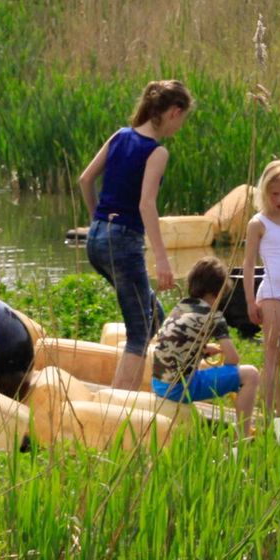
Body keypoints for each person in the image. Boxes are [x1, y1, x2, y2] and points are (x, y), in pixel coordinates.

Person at [77, 79, 193, 389]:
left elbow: (85, 180)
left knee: (153, 315)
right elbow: (146, 205)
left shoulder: (120, 136)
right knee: (140, 330)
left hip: (97, 239)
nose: (180, 126)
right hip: (124, 241)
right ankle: (117, 406)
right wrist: (163, 260)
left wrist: (97, 222)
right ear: (173, 112)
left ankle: (156, 382)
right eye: (182, 119)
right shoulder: (156, 152)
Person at [149, 257, 260, 432]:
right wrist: (229, 371)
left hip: (158, 384)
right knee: (250, 375)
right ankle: (244, 434)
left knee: (228, 374)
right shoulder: (213, 316)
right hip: (179, 389)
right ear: (218, 291)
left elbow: (180, 345)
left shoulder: (180, 308)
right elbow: (232, 359)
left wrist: (207, 350)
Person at [241, 159, 280, 423]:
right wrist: (249, 301)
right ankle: (267, 416)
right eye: (275, 193)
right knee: (272, 354)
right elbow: (248, 263)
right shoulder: (258, 223)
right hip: (271, 294)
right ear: (265, 192)